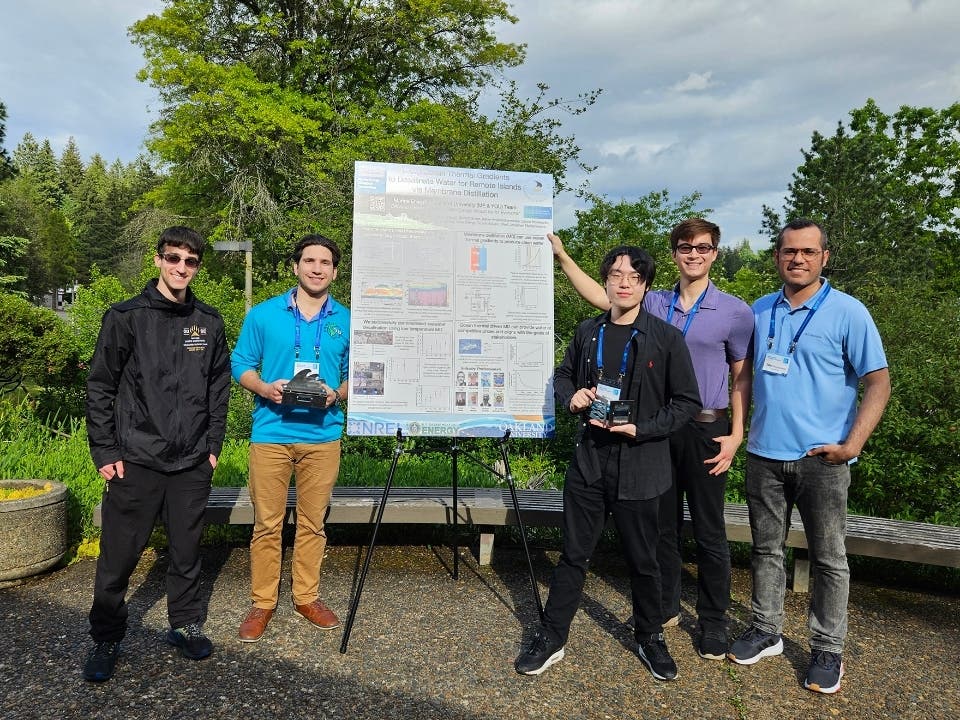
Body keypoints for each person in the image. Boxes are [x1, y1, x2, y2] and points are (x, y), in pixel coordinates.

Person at [549, 220, 754, 660]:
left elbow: (742, 376)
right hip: (650, 431)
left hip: (703, 425)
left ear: (715, 253)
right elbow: (605, 299)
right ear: (675, 253)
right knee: (661, 528)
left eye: (703, 248)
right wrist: (564, 259)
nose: (693, 254)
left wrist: (737, 432)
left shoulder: (735, 310)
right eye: (685, 247)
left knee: (708, 529)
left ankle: (713, 621)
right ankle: (662, 611)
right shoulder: (656, 301)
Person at [514, 246, 701, 681]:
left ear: (646, 285)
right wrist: (571, 395)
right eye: (616, 274)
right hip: (590, 461)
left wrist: (643, 428)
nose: (623, 282)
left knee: (644, 559)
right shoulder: (588, 331)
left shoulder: (666, 337)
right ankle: (552, 636)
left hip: (641, 462)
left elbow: (687, 402)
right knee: (574, 555)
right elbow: (563, 376)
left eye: (633, 276)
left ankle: (649, 635)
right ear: (606, 281)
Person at [727, 219, 890, 695]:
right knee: (765, 550)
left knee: (829, 558)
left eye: (808, 252)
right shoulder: (758, 311)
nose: (797, 259)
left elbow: (878, 381)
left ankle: (827, 648)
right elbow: (743, 378)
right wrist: (739, 432)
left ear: (825, 257)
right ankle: (766, 629)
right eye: (788, 251)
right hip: (764, 454)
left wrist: (853, 444)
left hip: (825, 459)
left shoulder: (848, 312)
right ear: (776, 256)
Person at [83, 226, 231, 682]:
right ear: (158, 260)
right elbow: (100, 386)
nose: (181, 268)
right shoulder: (125, 317)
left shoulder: (208, 322)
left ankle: (183, 625)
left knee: (186, 553)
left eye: (190, 261)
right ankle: (107, 637)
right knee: (119, 556)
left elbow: (219, 387)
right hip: (136, 459)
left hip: (191, 463)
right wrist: (105, 450)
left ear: (197, 267)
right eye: (173, 258)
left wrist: (212, 448)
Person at [231, 234, 350, 642]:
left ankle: (306, 597)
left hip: (323, 436)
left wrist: (338, 393)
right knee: (267, 524)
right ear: (295, 266)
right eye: (309, 261)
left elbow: (362, 374)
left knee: (313, 525)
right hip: (271, 434)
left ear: (335, 271)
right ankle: (263, 602)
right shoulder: (264, 315)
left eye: (325, 263)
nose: (317, 268)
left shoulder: (347, 321)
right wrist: (264, 388)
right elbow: (241, 363)